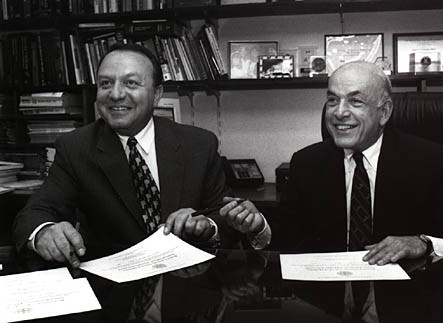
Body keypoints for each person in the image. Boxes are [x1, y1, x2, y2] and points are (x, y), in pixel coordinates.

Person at [13, 43, 271, 268]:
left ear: (157, 94)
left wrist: (207, 227)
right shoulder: (76, 147)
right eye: (105, 84)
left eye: (131, 83)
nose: (115, 94)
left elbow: (222, 217)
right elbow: (34, 213)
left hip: (185, 289)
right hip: (114, 298)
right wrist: (44, 232)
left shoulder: (198, 144)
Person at [277, 61, 443, 265]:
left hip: (405, 291)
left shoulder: (430, 161)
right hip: (328, 291)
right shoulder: (306, 163)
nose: (339, 112)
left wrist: (422, 243)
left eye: (355, 102)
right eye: (333, 100)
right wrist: (258, 228)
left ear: (385, 112)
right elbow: (286, 241)